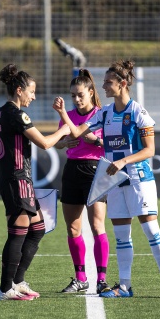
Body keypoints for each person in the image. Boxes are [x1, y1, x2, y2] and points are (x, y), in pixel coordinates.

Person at [52, 59, 160, 299]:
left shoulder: (138, 112)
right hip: (114, 182)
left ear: (122, 84)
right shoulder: (106, 113)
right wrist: (62, 113)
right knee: (122, 235)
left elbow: (150, 150)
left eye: (108, 82)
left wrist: (123, 161)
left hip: (138, 178)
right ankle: (124, 286)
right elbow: (79, 131)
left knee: (151, 229)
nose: (103, 86)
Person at [0, 63, 70, 301]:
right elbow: (45, 143)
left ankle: (17, 281)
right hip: (15, 178)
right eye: (32, 91)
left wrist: (61, 140)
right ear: (19, 90)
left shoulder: (3, 111)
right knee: (18, 232)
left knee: (37, 228)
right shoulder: (16, 114)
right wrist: (65, 128)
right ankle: (6, 288)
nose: (34, 96)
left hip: (20, 179)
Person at [54, 69, 110, 295]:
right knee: (73, 227)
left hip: (95, 171)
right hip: (72, 170)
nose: (76, 100)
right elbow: (58, 141)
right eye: (73, 96)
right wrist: (64, 143)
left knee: (97, 226)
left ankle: (102, 279)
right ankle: (80, 278)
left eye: (80, 95)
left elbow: (111, 145)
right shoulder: (68, 115)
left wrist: (96, 140)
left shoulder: (102, 114)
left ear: (90, 92)